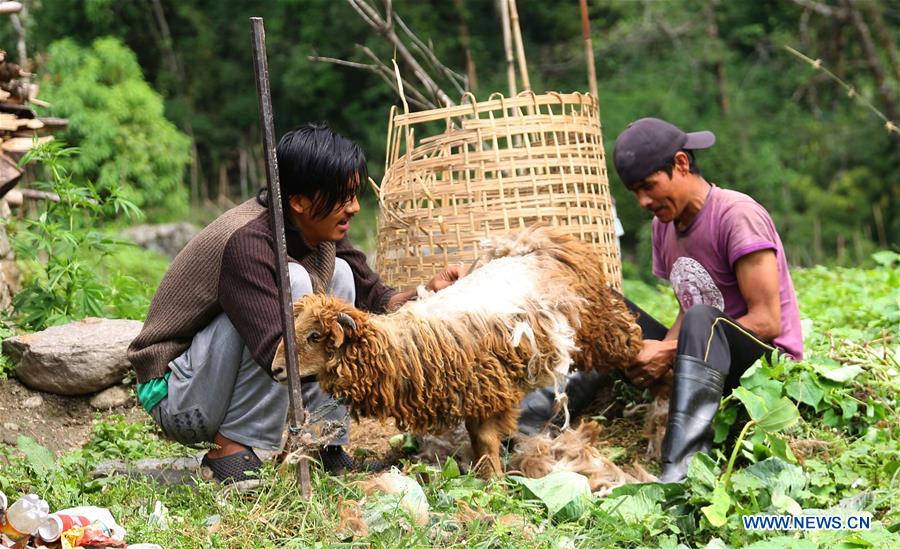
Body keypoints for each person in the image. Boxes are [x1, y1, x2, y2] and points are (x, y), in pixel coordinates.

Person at [127, 122, 463, 485]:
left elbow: (378, 300)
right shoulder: (248, 243)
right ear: (299, 201)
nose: (353, 207)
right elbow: (280, 353)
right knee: (298, 287)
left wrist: (427, 294)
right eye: (342, 196)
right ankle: (231, 450)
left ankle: (323, 445)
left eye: (354, 194)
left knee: (340, 279)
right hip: (177, 396)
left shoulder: (319, 231)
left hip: (217, 377)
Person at [519, 117, 803, 483]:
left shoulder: (737, 215)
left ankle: (682, 470)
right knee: (604, 309)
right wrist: (654, 351)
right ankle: (525, 425)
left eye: (649, 186)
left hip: (766, 368)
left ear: (681, 164)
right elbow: (690, 306)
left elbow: (767, 321)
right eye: (634, 191)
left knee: (704, 318)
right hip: (704, 357)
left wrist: (669, 352)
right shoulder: (663, 227)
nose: (643, 201)